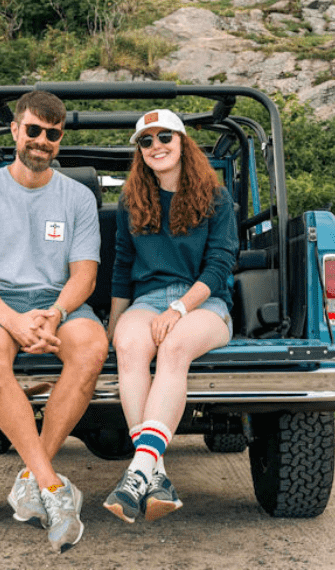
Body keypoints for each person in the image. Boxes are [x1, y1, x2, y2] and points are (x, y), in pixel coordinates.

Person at [0, 90, 108, 553]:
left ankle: (31, 478)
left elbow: (85, 274)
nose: (42, 140)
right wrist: (15, 322)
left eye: (52, 134)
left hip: (58, 302)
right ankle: (54, 489)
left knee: (92, 349)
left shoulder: (77, 197)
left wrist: (55, 314)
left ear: (59, 140)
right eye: (33, 130)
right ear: (15, 130)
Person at [103, 109, 239, 523]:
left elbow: (219, 267)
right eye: (146, 141)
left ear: (183, 144)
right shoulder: (132, 200)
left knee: (174, 346)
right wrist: (112, 326)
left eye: (165, 137)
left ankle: (136, 471)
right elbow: (123, 267)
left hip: (203, 302)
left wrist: (180, 309)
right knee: (129, 346)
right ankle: (154, 474)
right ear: (139, 151)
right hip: (147, 301)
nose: (156, 146)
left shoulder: (216, 197)